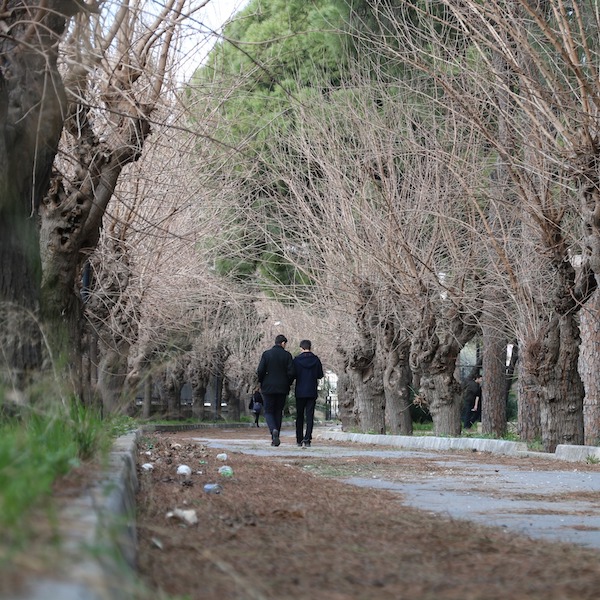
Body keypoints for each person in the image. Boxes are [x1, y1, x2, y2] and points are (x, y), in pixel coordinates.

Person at [257, 334, 295, 446]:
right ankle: (276, 434)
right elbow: (292, 372)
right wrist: (288, 382)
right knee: (278, 411)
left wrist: (262, 381)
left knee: (268, 411)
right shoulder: (287, 355)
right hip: (282, 388)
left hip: (268, 387)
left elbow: (260, 370)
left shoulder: (267, 354)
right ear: (283, 343)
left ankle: (273, 431)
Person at [293, 339, 324, 448]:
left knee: (300, 415)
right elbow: (320, 374)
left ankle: (299, 439)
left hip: (300, 391)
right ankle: (307, 439)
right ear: (310, 347)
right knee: (309, 416)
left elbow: (293, 374)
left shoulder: (296, 360)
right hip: (311, 390)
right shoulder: (316, 360)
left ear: (301, 348)